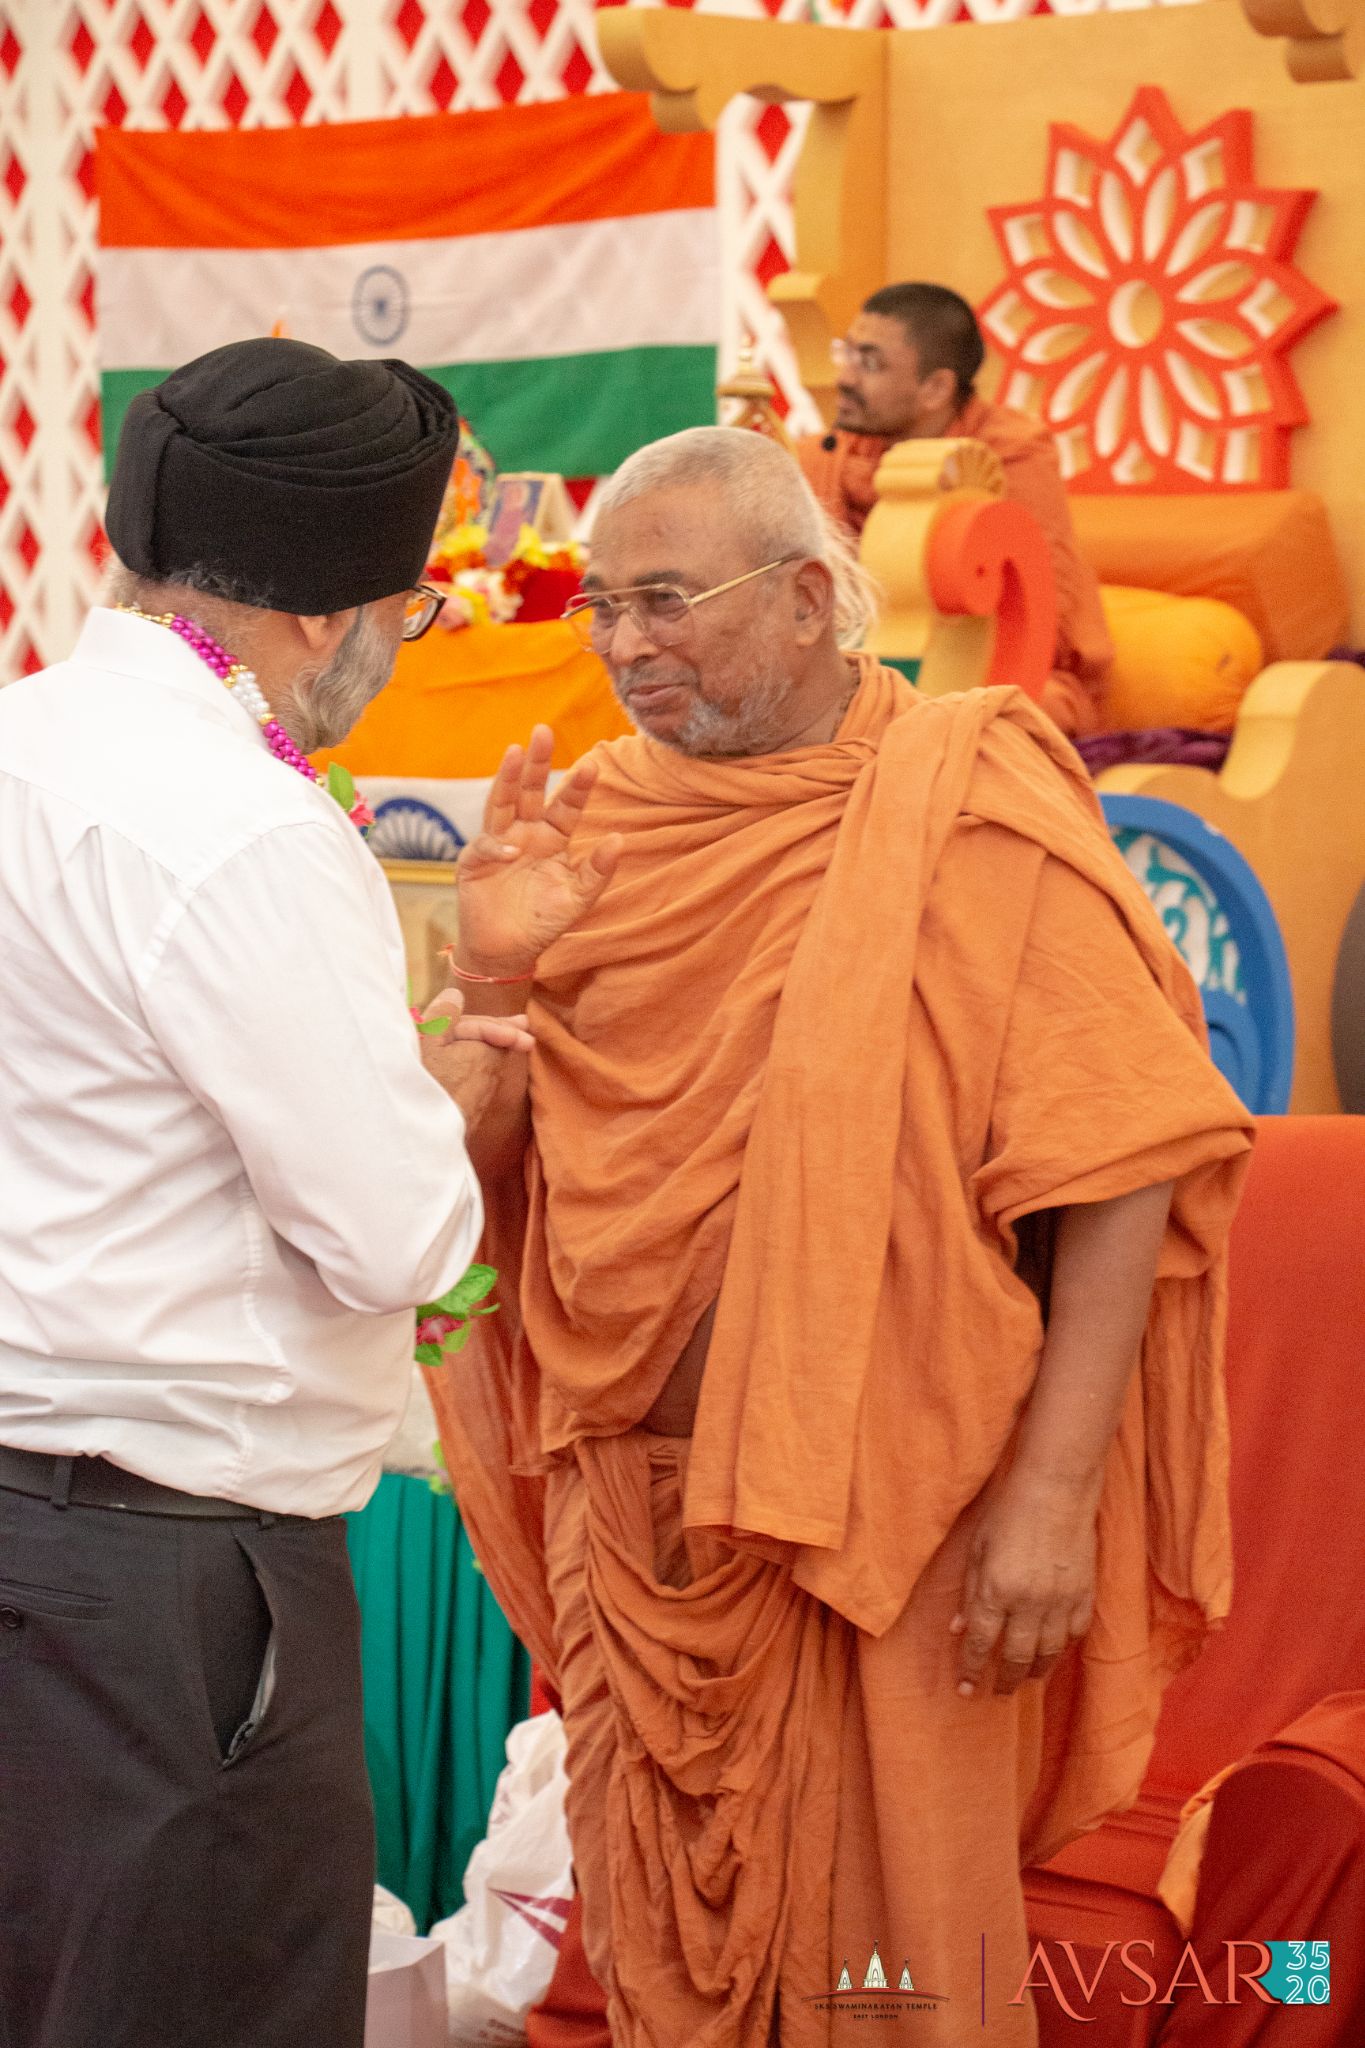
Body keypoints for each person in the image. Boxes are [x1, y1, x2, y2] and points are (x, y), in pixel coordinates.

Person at [427, 426, 1253, 2047]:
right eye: (602, 606)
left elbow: (1124, 1151)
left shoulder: (969, 792)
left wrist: (1053, 1495)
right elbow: (480, 1180)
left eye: (666, 601)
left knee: (904, 1981)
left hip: (892, 1525)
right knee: (667, 1975)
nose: (624, 646)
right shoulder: (586, 828)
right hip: (636, 1527)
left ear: (809, 597)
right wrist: (500, 977)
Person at [0, 337, 615, 2048]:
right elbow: (400, 1232)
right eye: (412, 615)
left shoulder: (24, 742)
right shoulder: (247, 826)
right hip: (170, 1590)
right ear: (336, 613)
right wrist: (478, 1042)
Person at [797, 282, 1113, 738]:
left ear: (935, 388)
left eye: (869, 362)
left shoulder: (1011, 454)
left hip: (999, 670)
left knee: (995, 720)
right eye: (845, 354)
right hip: (863, 669)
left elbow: (1046, 616)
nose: (844, 377)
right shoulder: (827, 457)